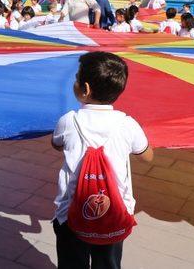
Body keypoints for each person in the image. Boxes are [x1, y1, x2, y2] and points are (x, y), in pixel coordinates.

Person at [51, 52, 153, 269]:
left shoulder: (68, 121)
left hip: (70, 213)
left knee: (71, 263)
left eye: (77, 78)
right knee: (108, 263)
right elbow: (147, 155)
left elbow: (56, 144)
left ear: (85, 89)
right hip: (114, 212)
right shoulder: (127, 124)